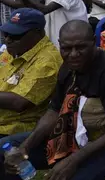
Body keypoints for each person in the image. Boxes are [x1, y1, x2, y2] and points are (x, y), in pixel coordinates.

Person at [0, 20, 105, 180]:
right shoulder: (68, 66)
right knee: (6, 151)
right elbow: (54, 110)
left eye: (80, 47)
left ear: (94, 43)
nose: (73, 54)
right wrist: (25, 147)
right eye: (67, 48)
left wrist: (74, 159)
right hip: (76, 131)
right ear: (60, 45)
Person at [0, 9, 62, 137]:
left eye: (15, 35)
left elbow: (18, 102)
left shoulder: (47, 61)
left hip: (11, 129)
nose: (8, 40)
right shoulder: (17, 48)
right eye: (5, 34)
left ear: (37, 33)